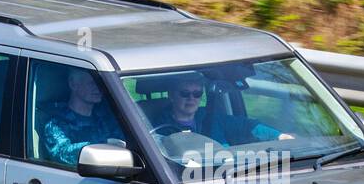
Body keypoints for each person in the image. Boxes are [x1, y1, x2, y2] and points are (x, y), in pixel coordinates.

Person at [152, 73, 293, 145]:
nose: (191, 98)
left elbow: (246, 126)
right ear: (171, 96)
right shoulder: (158, 129)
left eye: (197, 93)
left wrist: (278, 136)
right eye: (185, 93)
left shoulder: (212, 118)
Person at [42, 69, 126, 167]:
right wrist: (100, 145)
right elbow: (61, 153)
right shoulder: (56, 123)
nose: (99, 88)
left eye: (100, 83)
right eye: (92, 83)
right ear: (73, 84)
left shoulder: (105, 119)